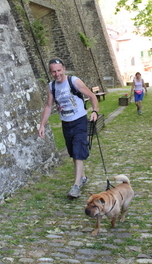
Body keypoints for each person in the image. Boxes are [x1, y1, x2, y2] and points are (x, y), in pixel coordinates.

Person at [39, 58, 99, 198]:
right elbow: (48, 106)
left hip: (79, 120)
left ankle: (76, 186)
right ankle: (83, 178)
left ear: (64, 69)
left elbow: (91, 96)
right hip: (66, 123)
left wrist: (95, 110)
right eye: (53, 71)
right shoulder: (51, 86)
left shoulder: (74, 81)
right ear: (50, 72)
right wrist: (42, 124)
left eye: (59, 70)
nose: (57, 74)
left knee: (78, 150)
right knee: (73, 153)